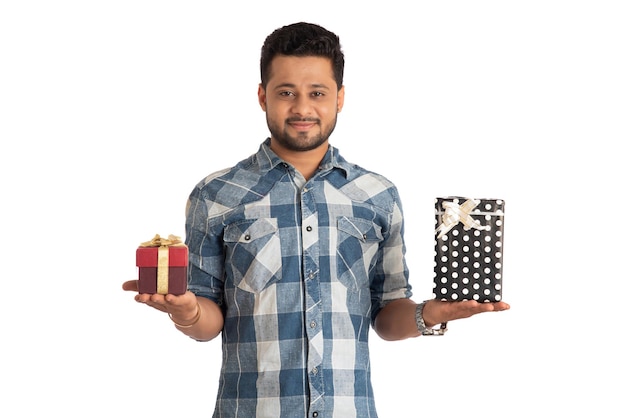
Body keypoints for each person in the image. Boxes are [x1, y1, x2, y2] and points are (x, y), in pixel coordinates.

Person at [123, 21, 510, 417]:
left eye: (317, 93)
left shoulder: (378, 195)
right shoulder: (216, 194)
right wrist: (186, 312)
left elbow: (387, 315)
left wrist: (431, 314)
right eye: (286, 92)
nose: (302, 108)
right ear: (262, 96)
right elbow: (206, 320)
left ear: (340, 98)